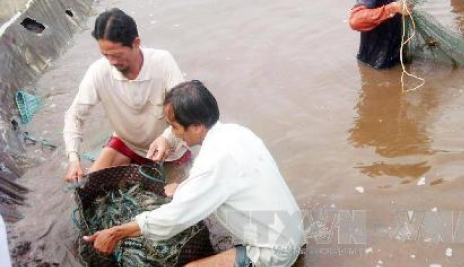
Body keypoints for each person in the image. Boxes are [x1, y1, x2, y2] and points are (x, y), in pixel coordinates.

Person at [84, 80, 305, 267]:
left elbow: (174, 218)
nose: (175, 134)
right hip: (292, 229)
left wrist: (118, 232)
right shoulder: (237, 132)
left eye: (175, 127)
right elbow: (224, 179)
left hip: (276, 251)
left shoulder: (212, 162)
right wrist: (181, 180)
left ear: (197, 126)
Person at [63, 8, 189, 182]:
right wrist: (74, 159)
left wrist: (166, 139)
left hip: (168, 150)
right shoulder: (99, 72)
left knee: (172, 198)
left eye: (117, 55)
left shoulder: (162, 63)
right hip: (127, 145)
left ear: (136, 43)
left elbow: (186, 112)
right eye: (105, 55)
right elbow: (74, 116)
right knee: (88, 187)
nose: (112, 61)